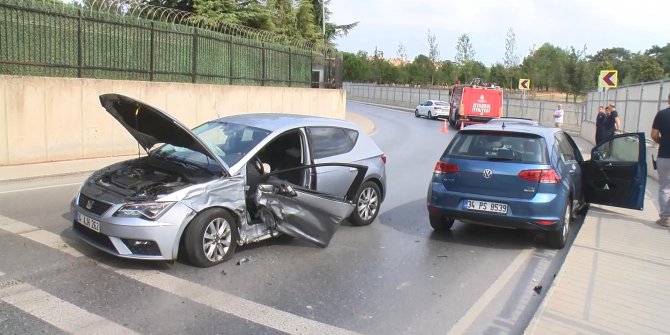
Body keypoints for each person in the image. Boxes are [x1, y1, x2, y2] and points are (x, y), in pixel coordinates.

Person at [652, 93, 670, 227]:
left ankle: (664, 218)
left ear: (668, 100)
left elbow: (654, 134)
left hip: (664, 155)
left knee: (664, 187)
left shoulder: (662, 114)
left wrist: (661, 141)